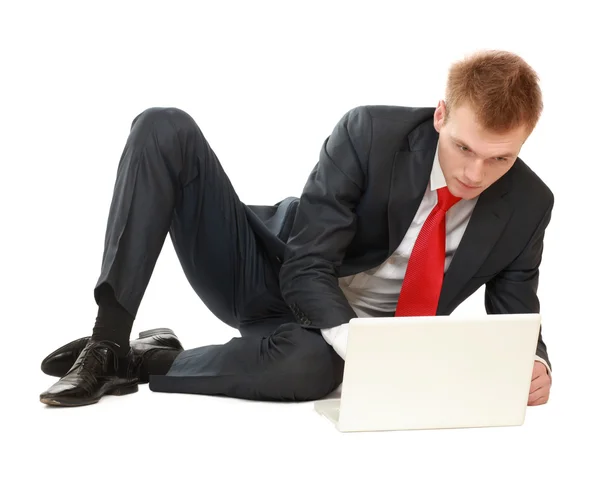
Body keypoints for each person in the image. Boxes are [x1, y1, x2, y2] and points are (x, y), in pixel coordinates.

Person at [40, 49, 553, 408]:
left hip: (321, 344)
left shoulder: (529, 204)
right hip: (266, 266)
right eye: (465, 148)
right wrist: (357, 345)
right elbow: (308, 262)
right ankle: (107, 343)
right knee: (163, 125)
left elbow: (516, 311)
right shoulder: (370, 132)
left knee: (310, 370)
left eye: (500, 159)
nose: (474, 174)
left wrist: (534, 362)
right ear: (441, 115)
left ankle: (143, 362)